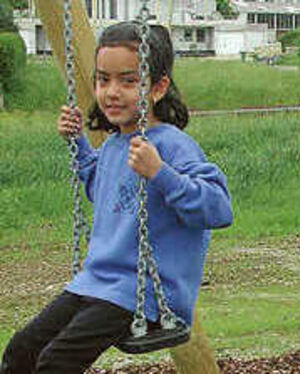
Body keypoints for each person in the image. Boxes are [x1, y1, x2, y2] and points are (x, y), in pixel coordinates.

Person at [0, 22, 233, 373]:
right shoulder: (113, 144)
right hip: (96, 282)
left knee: (55, 363)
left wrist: (161, 173)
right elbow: (102, 191)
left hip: (143, 296)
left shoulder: (172, 146)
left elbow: (218, 208)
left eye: (128, 81)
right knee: (22, 349)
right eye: (103, 79)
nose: (111, 92)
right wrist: (78, 142)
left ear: (157, 88)